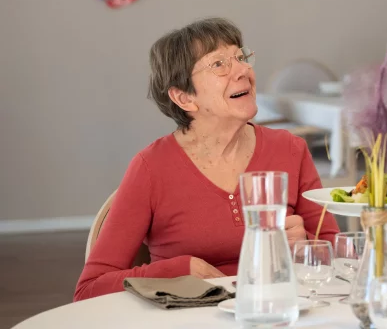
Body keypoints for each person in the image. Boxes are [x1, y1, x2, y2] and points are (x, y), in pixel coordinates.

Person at [74, 17, 339, 301]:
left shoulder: (290, 149)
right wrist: (174, 270)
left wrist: (304, 247)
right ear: (185, 98)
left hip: (278, 310)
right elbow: (90, 288)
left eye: (240, 57)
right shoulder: (151, 168)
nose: (242, 70)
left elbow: (339, 254)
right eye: (218, 64)